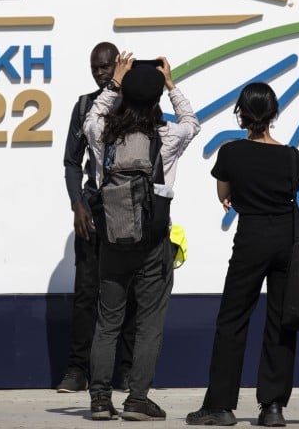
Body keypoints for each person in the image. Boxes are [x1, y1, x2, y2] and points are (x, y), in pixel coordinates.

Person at [85, 52, 200, 421]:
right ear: (155, 99)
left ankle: (101, 399)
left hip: (113, 240)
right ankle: (137, 399)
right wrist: (171, 84)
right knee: (149, 322)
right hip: (152, 244)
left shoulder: (105, 134)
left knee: (108, 320)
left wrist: (115, 82)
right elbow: (192, 122)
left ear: (123, 95)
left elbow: (91, 119)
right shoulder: (167, 137)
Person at [186, 82, 299, 428]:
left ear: (241, 114)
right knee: (281, 322)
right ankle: (273, 407)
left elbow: (225, 193)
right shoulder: (291, 155)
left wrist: (234, 196)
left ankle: (220, 405)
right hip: (285, 237)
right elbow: (288, 192)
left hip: (251, 237)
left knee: (233, 318)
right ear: (273, 115)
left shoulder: (231, 152)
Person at [57, 41, 136, 393]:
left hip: (131, 210)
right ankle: (77, 370)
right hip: (94, 209)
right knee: (87, 292)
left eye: (106, 66)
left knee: (131, 292)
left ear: (118, 64)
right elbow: (72, 161)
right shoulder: (85, 106)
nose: (101, 73)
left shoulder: (137, 102)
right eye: (95, 68)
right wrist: (77, 203)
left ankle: (130, 371)